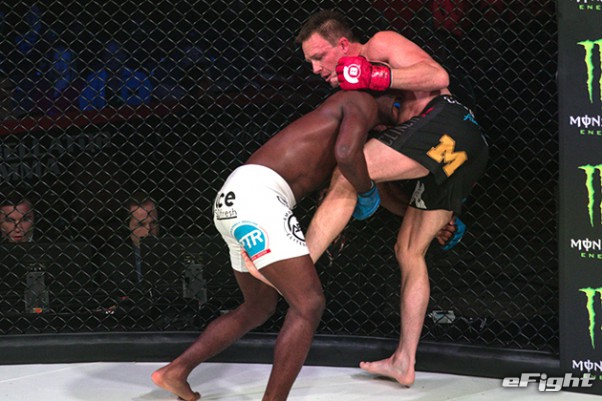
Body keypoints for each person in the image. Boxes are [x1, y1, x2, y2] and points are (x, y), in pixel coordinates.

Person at [151, 89, 401, 401]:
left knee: (258, 306)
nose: (401, 114)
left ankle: (176, 371)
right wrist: (366, 190)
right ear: (389, 95)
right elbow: (346, 153)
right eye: (401, 105)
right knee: (309, 304)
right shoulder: (359, 100)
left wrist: (384, 197)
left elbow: (364, 173)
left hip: (232, 198)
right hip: (260, 197)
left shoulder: (353, 125)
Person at [294, 10, 488, 386]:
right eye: (310, 63)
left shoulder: (378, 46)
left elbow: (438, 76)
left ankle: (297, 267)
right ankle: (404, 360)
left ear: (343, 45)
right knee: (408, 250)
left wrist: (375, 74)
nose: (315, 69)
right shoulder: (356, 98)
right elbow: (376, 180)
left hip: (449, 123)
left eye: (319, 57)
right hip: (461, 153)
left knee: (346, 171)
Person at [79, 39, 152, 111]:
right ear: (103, 57)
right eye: (108, 55)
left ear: (124, 55)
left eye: (117, 54)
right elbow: (86, 106)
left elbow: (146, 105)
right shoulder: (93, 79)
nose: (112, 58)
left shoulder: (139, 78)